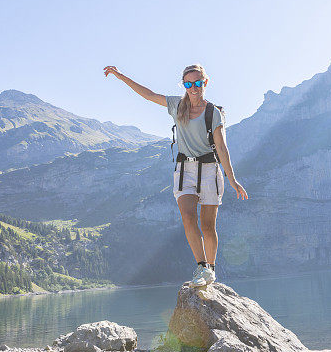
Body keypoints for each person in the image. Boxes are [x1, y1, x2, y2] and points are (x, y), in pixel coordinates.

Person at [104, 64, 248, 287]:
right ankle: (202, 267)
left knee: (208, 226)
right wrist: (120, 76)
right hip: (185, 172)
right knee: (188, 218)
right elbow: (149, 95)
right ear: (184, 85)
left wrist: (232, 179)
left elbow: (221, 147)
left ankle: (211, 269)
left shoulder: (213, 113)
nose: (193, 88)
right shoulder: (177, 105)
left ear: (205, 83)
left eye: (197, 83)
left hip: (210, 171)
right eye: (188, 84)